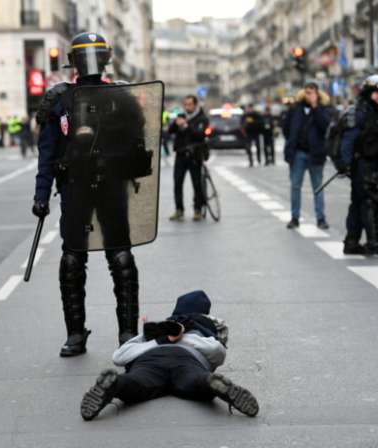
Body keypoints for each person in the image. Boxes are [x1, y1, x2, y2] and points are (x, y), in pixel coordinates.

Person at [32, 32, 156, 357]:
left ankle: (128, 332)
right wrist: (41, 193)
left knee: (122, 257)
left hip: (111, 184)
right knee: (72, 258)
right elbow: (47, 153)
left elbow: (138, 143)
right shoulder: (59, 100)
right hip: (75, 186)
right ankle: (76, 333)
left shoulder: (122, 98)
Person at [80, 290, 259, 420]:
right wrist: (174, 338)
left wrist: (163, 339)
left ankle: (115, 384)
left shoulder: (157, 329)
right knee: (198, 383)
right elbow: (218, 353)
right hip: (187, 360)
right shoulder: (202, 333)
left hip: (149, 360)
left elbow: (119, 357)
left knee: (135, 383)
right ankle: (211, 383)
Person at [340, 75, 378, 255]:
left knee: (358, 203)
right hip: (362, 163)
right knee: (370, 202)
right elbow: (348, 140)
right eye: (376, 92)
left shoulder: (375, 110)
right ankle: (373, 242)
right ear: (368, 93)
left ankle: (352, 243)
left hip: (371, 162)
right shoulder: (360, 112)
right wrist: (347, 165)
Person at [283, 82, 331, 230]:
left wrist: (315, 107)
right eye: (307, 92)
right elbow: (285, 128)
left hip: (316, 154)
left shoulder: (323, 109)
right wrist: (292, 144)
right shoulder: (295, 109)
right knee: (295, 186)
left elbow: (325, 126)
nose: (309, 95)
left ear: (317, 94)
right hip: (298, 153)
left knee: (318, 187)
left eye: (312, 93)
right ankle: (294, 217)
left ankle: (321, 218)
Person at [168, 95, 209, 222]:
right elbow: (170, 131)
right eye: (185, 104)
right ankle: (179, 209)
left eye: (190, 104)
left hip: (194, 156)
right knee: (177, 184)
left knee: (197, 184)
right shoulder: (181, 116)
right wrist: (176, 123)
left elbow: (200, 135)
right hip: (180, 155)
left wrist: (186, 126)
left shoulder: (202, 118)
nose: (187, 107)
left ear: (195, 105)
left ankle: (197, 209)